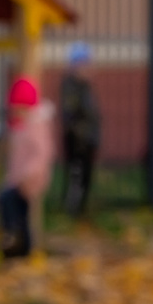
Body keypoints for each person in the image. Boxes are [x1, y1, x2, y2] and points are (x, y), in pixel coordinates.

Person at [0, 75, 57, 260]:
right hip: (19, 178)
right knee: (21, 212)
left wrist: (28, 174)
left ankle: (17, 242)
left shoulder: (35, 125)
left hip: (29, 178)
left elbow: (42, 153)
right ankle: (22, 248)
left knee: (9, 203)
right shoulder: (22, 125)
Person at [59, 43, 101, 216]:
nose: (88, 68)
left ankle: (80, 209)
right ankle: (72, 210)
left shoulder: (85, 86)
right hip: (78, 140)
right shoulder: (71, 86)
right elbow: (71, 113)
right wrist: (79, 133)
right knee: (76, 175)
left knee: (86, 175)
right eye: (84, 64)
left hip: (88, 138)